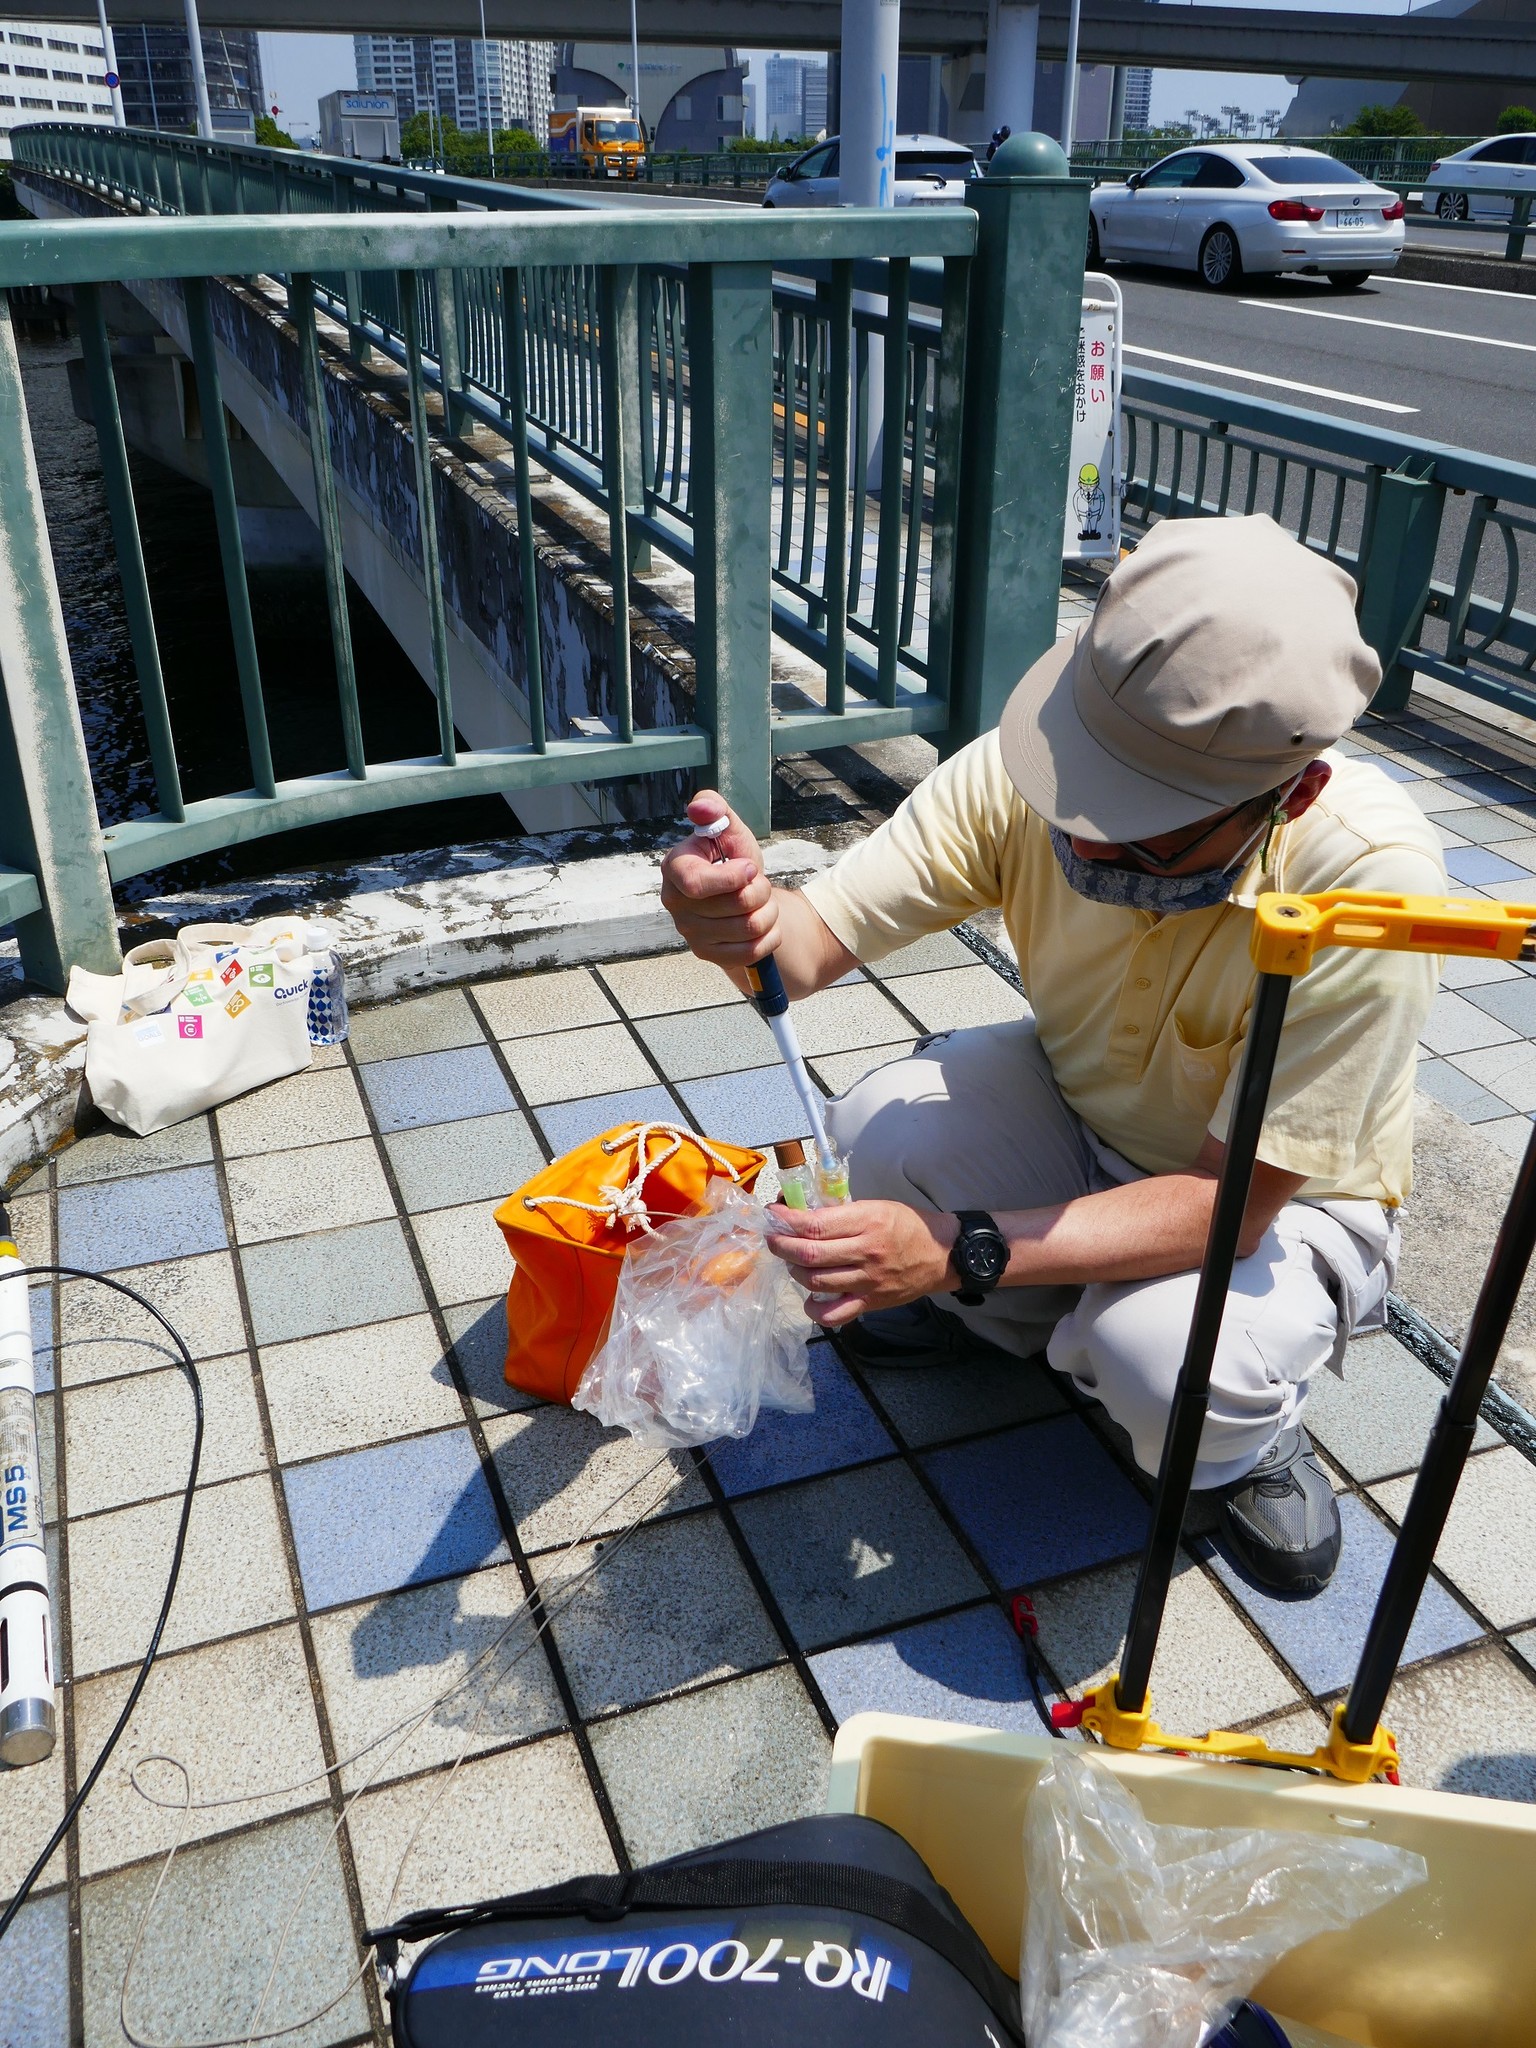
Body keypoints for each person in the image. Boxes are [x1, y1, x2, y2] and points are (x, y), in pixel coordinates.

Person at [660, 516, 1447, 1597]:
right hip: (1082, 1112)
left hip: (1280, 1202)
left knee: (1171, 1363)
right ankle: (1038, 1321)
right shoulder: (1034, 773)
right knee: (873, 1133)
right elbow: (801, 947)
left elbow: (1237, 1206)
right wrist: (732, 917)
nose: (1083, 840)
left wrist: (952, 1248)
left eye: (1144, 828)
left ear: (1291, 794)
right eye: (1077, 791)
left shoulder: (1373, 881)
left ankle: (1236, 1435)